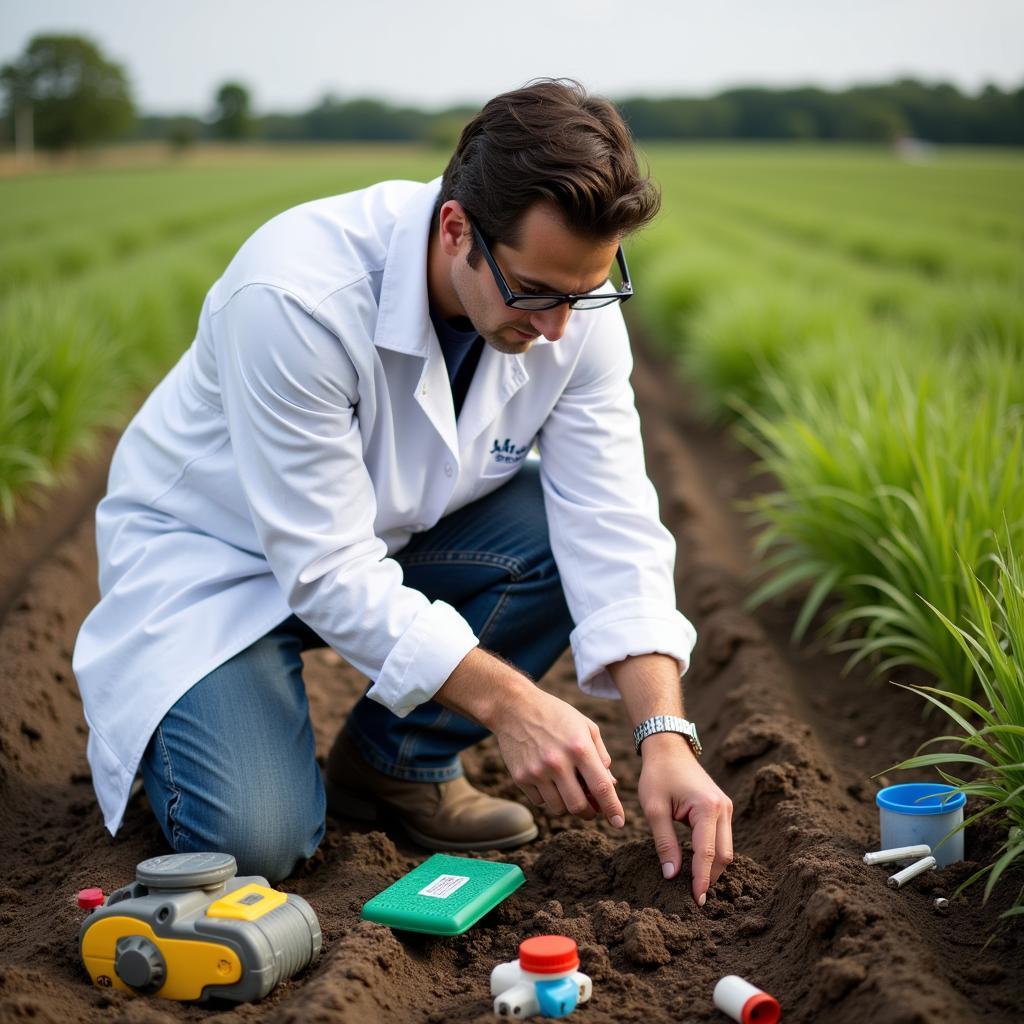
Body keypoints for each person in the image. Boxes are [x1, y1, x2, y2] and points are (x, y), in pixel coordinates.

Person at [73, 79, 733, 906]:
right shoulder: (295, 297)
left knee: (548, 535)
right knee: (258, 843)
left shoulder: (570, 302)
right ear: (456, 228)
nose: (561, 327)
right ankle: (192, 728)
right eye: (535, 292)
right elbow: (325, 567)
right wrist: (512, 704)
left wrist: (663, 735)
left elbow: (611, 518)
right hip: (215, 566)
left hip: (383, 540)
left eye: (584, 293)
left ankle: (394, 768)